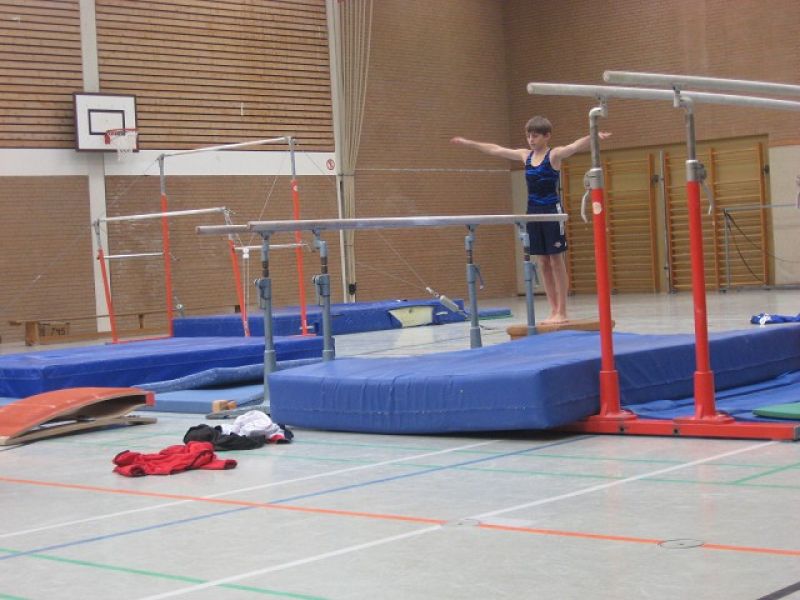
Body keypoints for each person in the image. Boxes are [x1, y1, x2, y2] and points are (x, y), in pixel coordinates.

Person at [451, 116, 611, 324]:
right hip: (533, 212)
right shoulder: (524, 155)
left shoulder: (554, 155)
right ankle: (553, 309)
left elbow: (573, 146)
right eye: (528, 136)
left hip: (551, 211)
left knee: (556, 260)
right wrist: (469, 143)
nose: (531, 140)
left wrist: (593, 136)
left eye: (535, 136)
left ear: (547, 136)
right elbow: (496, 149)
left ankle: (562, 311)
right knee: (543, 262)